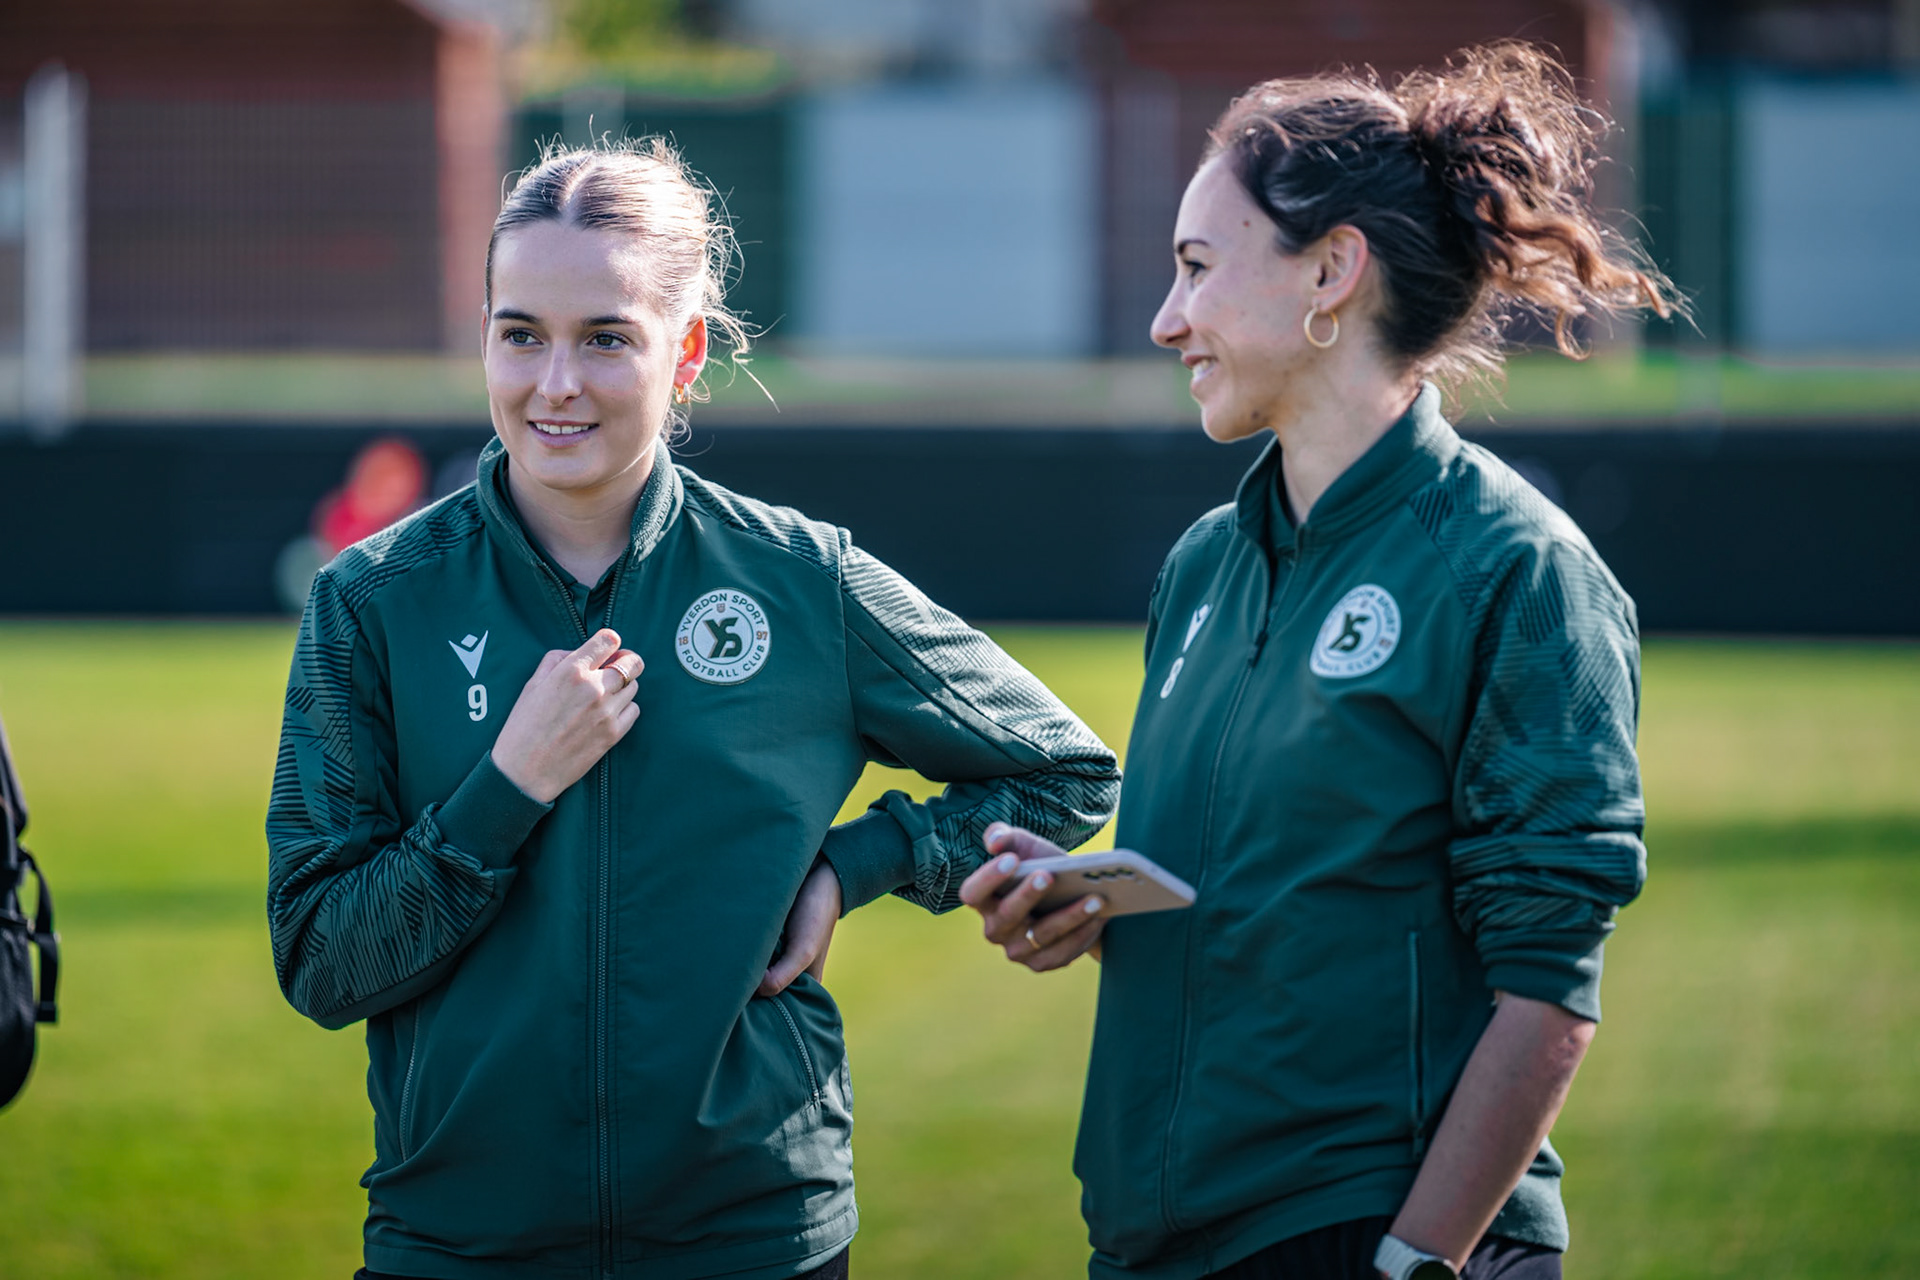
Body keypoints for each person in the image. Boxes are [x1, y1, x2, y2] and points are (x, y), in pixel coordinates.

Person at [265, 139, 1120, 1280]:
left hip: (755, 1235)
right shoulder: (370, 599)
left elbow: (1065, 767)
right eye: (520, 333)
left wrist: (854, 866)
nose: (554, 382)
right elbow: (323, 961)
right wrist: (506, 788)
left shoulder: (800, 578)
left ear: (689, 353)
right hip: (458, 1240)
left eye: (606, 337)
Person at [962, 42, 1673, 1280]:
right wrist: (1085, 899)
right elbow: (1255, 890)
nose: (1164, 318)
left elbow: (1548, 989)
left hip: (1373, 1237)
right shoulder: (1204, 563)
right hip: (1159, 1234)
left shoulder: (1512, 567)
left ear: (1332, 272)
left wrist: (1413, 1260)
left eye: (1196, 267)